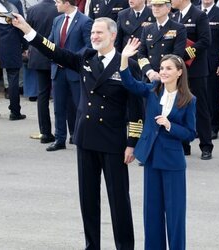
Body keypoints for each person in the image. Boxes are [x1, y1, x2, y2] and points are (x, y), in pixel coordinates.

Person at [12, 15, 143, 249]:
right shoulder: (86, 57)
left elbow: (136, 109)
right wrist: (27, 29)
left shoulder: (127, 64)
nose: (94, 36)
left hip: (113, 142)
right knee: (88, 200)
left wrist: (132, 142)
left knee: (119, 201)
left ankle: (125, 246)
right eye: (93, 32)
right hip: (86, 138)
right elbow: (55, 51)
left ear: (113, 35)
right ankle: (91, 245)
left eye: (99, 33)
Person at [120, 38, 196, 250]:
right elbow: (130, 83)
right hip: (151, 158)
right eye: (162, 68)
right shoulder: (153, 89)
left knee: (175, 216)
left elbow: (190, 133)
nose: (163, 71)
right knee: (151, 213)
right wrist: (125, 58)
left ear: (179, 72)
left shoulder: (189, 99)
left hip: (172, 163)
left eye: (168, 68)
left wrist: (170, 125)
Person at [46, 0, 93, 151]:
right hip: (58, 70)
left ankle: (79, 136)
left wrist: (70, 59)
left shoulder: (85, 21)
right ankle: (60, 139)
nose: (55, 5)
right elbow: (51, 42)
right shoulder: (57, 20)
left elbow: (89, 46)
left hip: (74, 70)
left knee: (79, 106)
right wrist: (54, 57)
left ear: (67, 3)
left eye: (58, 2)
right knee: (58, 106)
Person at [171, 0, 213, 160]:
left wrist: (183, 54)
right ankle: (184, 144)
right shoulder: (174, 16)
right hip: (179, 71)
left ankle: (206, 145)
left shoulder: (199, 15)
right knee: (180, 106)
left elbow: (205, 41)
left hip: (195, 69)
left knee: (201, 107)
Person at [26, 0, 59, 144]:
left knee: (42, 95)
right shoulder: (59, 8)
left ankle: (45, 132)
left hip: (38, 54)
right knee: (61, 95)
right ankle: (65, 132)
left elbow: (27, 31)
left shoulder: (33, 10)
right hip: (56, 54)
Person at [137, 0, 187, 82]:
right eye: (154, 6)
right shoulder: (147, 29)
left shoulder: (178, 28)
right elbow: (141, 54)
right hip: (150, 77)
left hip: (169, 77)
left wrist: (163, 71)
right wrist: (149, 72)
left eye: (160, 6)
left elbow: (177, 55)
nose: (156, 9)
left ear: (168, 8)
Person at [201, 0, 219, 139]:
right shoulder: (195, 12)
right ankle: (201, 127)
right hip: (195, 62)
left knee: (212, 96)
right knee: (198, 96)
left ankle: (213, 127)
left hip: (213, 62)